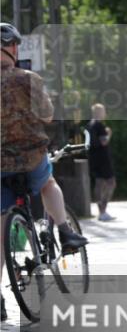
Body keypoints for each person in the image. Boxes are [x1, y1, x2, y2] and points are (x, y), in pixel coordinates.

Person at [0, 22, 89, 251]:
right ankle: (65, 232)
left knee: (2, 229)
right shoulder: (28, 78)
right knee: (48, 184)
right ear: (14, 49)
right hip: (32, 158)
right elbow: (48, 115)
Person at [87, 103, 117, 221]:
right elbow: (104, 142)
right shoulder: (99, 125)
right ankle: (103, 210)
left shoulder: (89, 124)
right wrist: (108, 133)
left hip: (94, 158)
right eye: (104, 111)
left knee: (99, 183)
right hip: (103, 159)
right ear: (99, 112)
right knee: (111, 182)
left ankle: (101, 210)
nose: (105, 113)